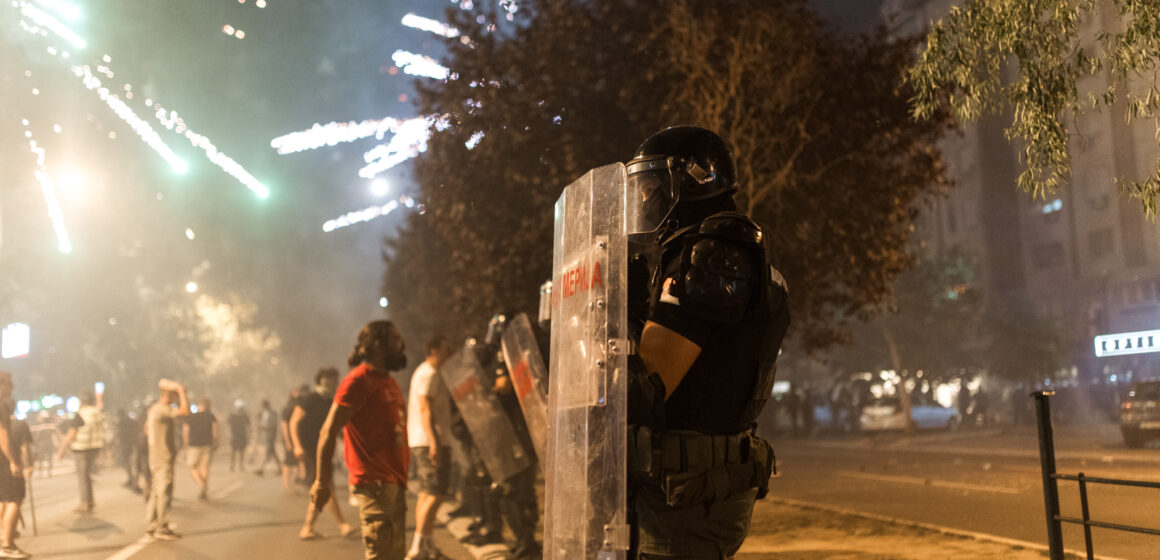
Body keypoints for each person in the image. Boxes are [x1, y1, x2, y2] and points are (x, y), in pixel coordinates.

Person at [624, 126, 790, 559]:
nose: (644, 200)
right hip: (686, 489)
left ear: (693, 179)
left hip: (690, 496)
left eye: (651, 186)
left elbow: (647, 391)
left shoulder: (714, 256)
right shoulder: (702, 251)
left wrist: (619, 315)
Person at [310, 320, 410, 559]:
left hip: (394, 482)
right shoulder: (358, 381)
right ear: (377, 345)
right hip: (374, 484)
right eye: (394, 339)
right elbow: (328, 430)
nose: (400, 344)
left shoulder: (389, 381)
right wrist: (322, 482)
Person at [405, 336, 453, 559]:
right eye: (445, 348)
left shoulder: (423, 372)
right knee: (436, 492)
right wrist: (434, 441)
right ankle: (417, 548)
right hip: (430, 441)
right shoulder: (429, 373)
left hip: (423, 440)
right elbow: (425, 409)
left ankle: (426, 544)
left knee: (426, 493)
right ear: (434, 349)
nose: (449, 351)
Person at [293, 368, 352, 539]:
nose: (332, 382)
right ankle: (341, 524)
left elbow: (334, 426)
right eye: (329, 378)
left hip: (324, 449)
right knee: (325, 486)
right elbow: (293, 422)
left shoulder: (330, 401)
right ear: (321, 379)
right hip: (310, 450)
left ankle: (309, 527)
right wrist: (297, 446)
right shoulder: (311, 399)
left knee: (323, 486)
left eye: (335, 378)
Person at [145, 379, 191, 540]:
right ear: (170, 395)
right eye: (175, 396)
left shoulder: (154, 410)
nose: (177, 399)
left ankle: (152, 525)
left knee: (156, 492)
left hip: (155, 455)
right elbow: (185, 411)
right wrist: (180, 389)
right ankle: (161, 527)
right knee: (164, 491)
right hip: (162, 456)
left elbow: (146, 429)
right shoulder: (164, 409)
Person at [57, 392, 107, 514]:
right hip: (94, 447)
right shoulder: (97, 413)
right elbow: (100, 408)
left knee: (83, 477)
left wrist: (62, 450)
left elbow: (72, 433)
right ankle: (90, 501)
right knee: (87, 475)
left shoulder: (80, 415)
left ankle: (85, 502)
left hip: (81, 448)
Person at [0, 375, 29, 559]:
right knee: (14, 499)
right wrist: (12, 461)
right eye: (10, 384)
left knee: (3, 499)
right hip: (3, 460)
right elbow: (2, 434)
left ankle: (4, 538)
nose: (13, 387)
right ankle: (7, 545)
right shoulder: (1, 404)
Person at [182, 398, 218, 501]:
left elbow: (186, 432)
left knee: (192, 467)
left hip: (193, 445)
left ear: (199, 405)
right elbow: (215, 430)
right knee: (204, 467)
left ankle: (201, 484)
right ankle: (204, 489)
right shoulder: (211, 416)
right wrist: (216, 442)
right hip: (207, 445)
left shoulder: (190, 417)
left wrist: (186, 445)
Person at [280, 386, 306, 491]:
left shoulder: (301, 406)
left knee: (299, 460)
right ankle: (286, 483)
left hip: (298, 438)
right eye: (295, 392)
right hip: (290, 438)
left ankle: (298, 479)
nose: (298, 394)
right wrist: (287, 441)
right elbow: (284, 425)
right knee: (289, 461)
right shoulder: (288, 408)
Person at [254, 400, 279, 476]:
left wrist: (263, 426)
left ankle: (261, 469)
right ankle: (280, 468)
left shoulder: (273, 413)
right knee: (273, 453)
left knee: (268, 452)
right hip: (265, 435)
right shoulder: (262, 414)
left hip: (271, 435)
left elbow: (273, 424)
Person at [227, 402, 250, 472]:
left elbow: (248, 426)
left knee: (240, 452)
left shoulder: (244, 416)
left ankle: (239, 465)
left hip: (240, 436)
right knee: (234, 452)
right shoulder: (232, 416)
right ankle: (233, 466)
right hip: (235, 436)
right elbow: (229, 426)